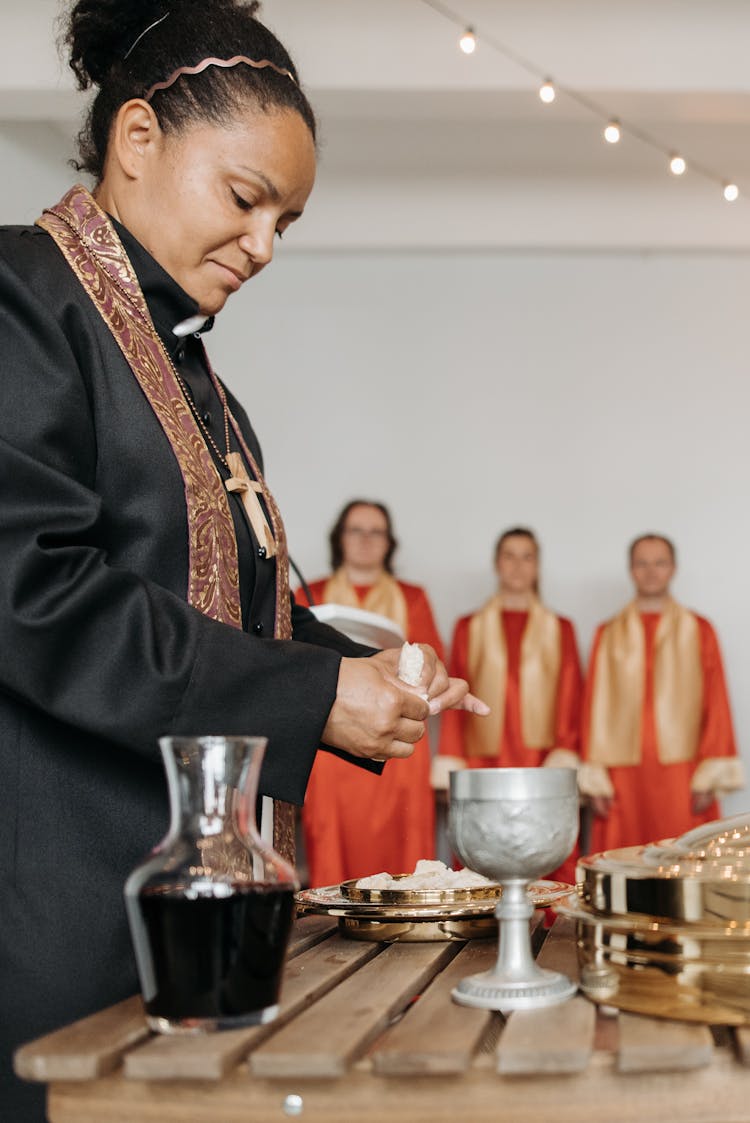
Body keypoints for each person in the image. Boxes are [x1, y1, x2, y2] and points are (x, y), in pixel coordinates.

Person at [0, 5, 486, 1118]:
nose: (265, 244)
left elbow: (220, 612)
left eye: (288, 220)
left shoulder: (202, 385)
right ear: (136, 142)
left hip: (190, 919)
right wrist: (317, 695)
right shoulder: (23, 299)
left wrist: (367, 666)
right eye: (245, 197)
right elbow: (40, 597)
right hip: (61, 917)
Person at [296, 500, 445, 885]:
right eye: (356, 530)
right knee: (334, 851)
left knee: (402, 855)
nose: (365, 540)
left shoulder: (413, 598)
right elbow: (293, 662)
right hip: (331, 742)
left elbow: (431, 670)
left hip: (399, 748)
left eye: (375, 531)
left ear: (389, 543)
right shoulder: (308, 594)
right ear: (339, 539)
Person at [435, 528, 583, 882]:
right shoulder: (468, 627)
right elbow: (456, 698)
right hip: (483, 762)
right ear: (496, 563)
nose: (517, 566)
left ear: (538, 566)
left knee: (545, 853)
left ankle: (548, 933)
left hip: (540, 762)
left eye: (527, 556)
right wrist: (451, 765)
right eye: (509, 556)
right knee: (481, 855)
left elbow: (570, 697)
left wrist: (563, 754)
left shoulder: (560, 628)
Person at [580, 533, 743, 853]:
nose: (651, 571)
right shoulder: (608, 632)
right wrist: (595, 774)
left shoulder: (699, 629)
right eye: (642, 563)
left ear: (673, 568)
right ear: (631, 569)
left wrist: (711, 772)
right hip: (622, 774)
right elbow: (591, 708)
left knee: (682, 861)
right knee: (627, 861)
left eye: (659, 562)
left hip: (682, 773)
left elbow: (716, 701)